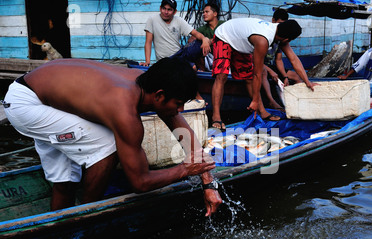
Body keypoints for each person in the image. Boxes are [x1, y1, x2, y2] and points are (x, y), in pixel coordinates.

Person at [3, 58, 222, 216]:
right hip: (27, 104)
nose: (181, 110)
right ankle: (88, 215)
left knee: (66, 179)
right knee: (108, 144)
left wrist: (208, 183)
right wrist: (185, 170)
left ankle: (57, 227)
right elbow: (140, 182)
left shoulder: (148, 81)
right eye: (178, 103)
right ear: (159, 96)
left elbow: (182, 131)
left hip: (40, 95)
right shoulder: (124, 108)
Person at [210, 18, 317, 131]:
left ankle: (262, 111)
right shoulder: (263, 40)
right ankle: (216, 116)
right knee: (221, 76)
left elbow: (294, 59)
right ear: (286, 39)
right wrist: (254, 100)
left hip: (240, 42)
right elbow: (258, 73)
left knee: (249, 78)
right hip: (224, 36)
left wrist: (307, 82)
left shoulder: (278, 32)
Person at [140, 0, 210, 67]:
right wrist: (147, 61)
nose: (166, 12)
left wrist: (204, 39)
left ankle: (201, 68)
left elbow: (195, 33)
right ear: (160, 8)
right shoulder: (152, 20)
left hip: (179, 55)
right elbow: (148, 42)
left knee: (200, 43)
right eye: (164, 8)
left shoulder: (178, 20)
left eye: (169, 9)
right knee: (192, 68)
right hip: (165, 60)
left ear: (174, 11)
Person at [262, 9, 302, 111]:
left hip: (269, 66)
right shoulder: (265, 34)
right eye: (280, 23)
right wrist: (271, 72)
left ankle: (299, 102)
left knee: (295, 76)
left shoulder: (281, 38)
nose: (282, 28)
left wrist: (284, 76)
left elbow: (278, 60)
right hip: (258, 65)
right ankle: (272, 101)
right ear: (273, 20)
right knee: (264, 73)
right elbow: (254, 60)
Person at [186, 2, 225, 71]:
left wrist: (208, 41)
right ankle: (203, 71)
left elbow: (227, 37)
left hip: (223, 57)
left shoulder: (223, 25)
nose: (204, 14)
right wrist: (202, 41)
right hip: (208, 58)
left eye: (207, 12)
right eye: (203, 12)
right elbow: (190, 41)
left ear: (215, 14)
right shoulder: (202, 29)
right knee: (196, 47)